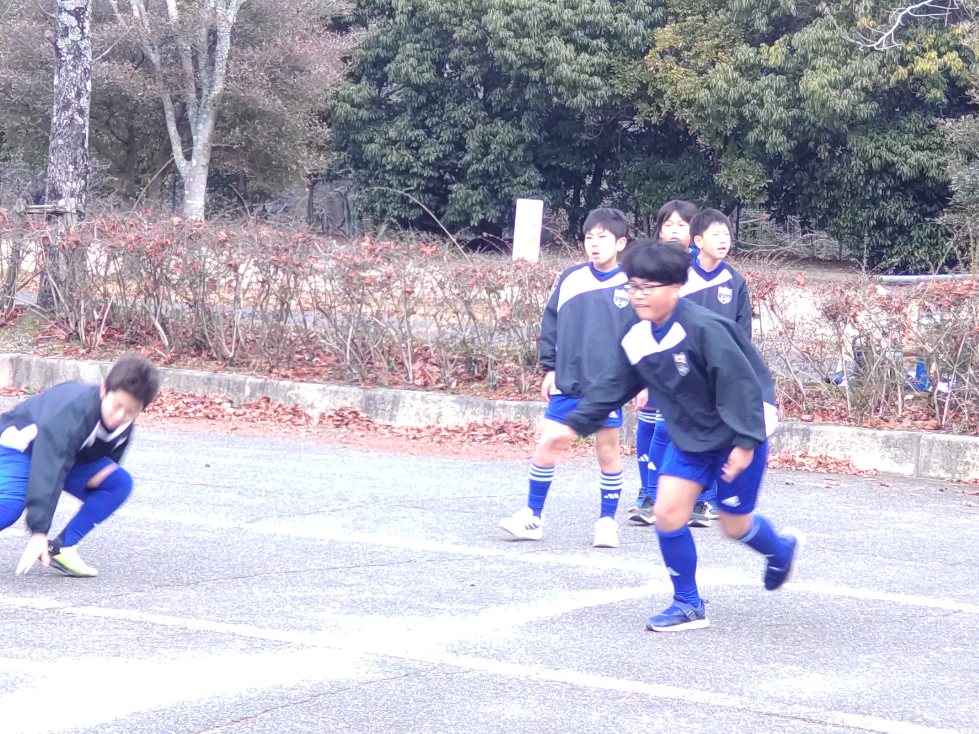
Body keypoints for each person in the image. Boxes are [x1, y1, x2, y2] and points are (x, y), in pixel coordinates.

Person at [535, 242, 801, 630]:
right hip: (690, 438)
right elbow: (614, 386)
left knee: (734, 525)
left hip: (736, 435)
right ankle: (688, 603)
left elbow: (743, 386)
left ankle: (780, 551)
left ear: (676, 287)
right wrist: (572, 425)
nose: (639, 295)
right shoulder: (636, 335)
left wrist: (746, 443)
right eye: (633, 286)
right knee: (667, 512)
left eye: (649, 287)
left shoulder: (705, 329)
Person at [499, 208, 637, 548]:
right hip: (568, 380)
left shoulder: (632, 284)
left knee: (607, 451)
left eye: (602, 237)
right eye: (589, 237)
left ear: (621, 243)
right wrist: (549, 367)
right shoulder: (571, 278)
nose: (594, 243)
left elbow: (642, 335)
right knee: (548, 443)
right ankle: (533, 516)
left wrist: (641, 382)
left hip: (607, 386)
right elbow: (551, 324)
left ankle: (607, 522)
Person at [0, 355, 161, 577]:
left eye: (131, 411)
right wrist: (39, 531)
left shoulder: (124, 426)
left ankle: (62, 548)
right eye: (117, 406)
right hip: (20, 446)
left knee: (118, 482)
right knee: (10, 506)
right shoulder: (74, 413)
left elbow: (101, 458)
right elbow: (50, 465)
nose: (120, 415)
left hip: (66, 455)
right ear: (104, 390)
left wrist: (95, 481)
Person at [628, 201, 718, 528]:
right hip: (656, 358)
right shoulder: (648, 265)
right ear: (659, 229)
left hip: (687, 365)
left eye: (682, 224)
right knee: (649, 423)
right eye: (668, 224)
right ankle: (647, 494)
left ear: (694, 232)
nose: (674, 231)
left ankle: (695, 498)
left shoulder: (700, 269)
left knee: (672, 427)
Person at [681, 208, 751, 339]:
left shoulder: (735, 281)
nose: (723, 240)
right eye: (716, 235)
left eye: (726, 234)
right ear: (698, 241)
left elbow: (743, 332)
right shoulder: (680, 276)